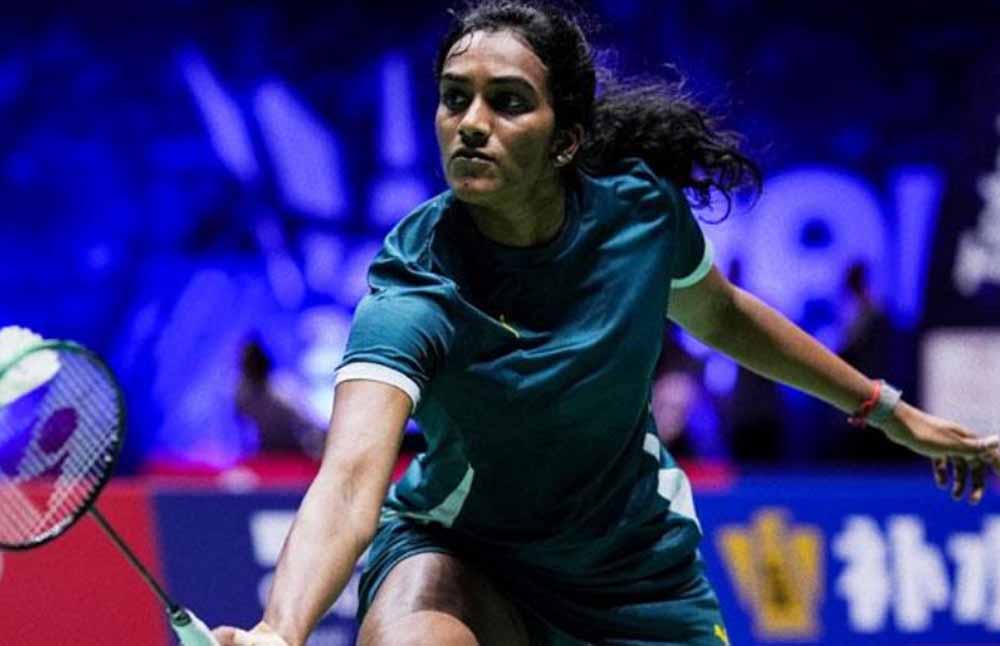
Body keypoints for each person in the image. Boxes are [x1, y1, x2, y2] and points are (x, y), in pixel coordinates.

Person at [213, 2, 1000, 644]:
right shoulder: (417, 284)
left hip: (634, 575)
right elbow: (352, 477)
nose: (472, 122)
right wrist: (281, 631)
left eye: (507, 101)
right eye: (455, 97)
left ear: (567, 139)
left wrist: (887, 411)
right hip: (467, 555)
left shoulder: (638, 216)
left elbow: (723, 316)